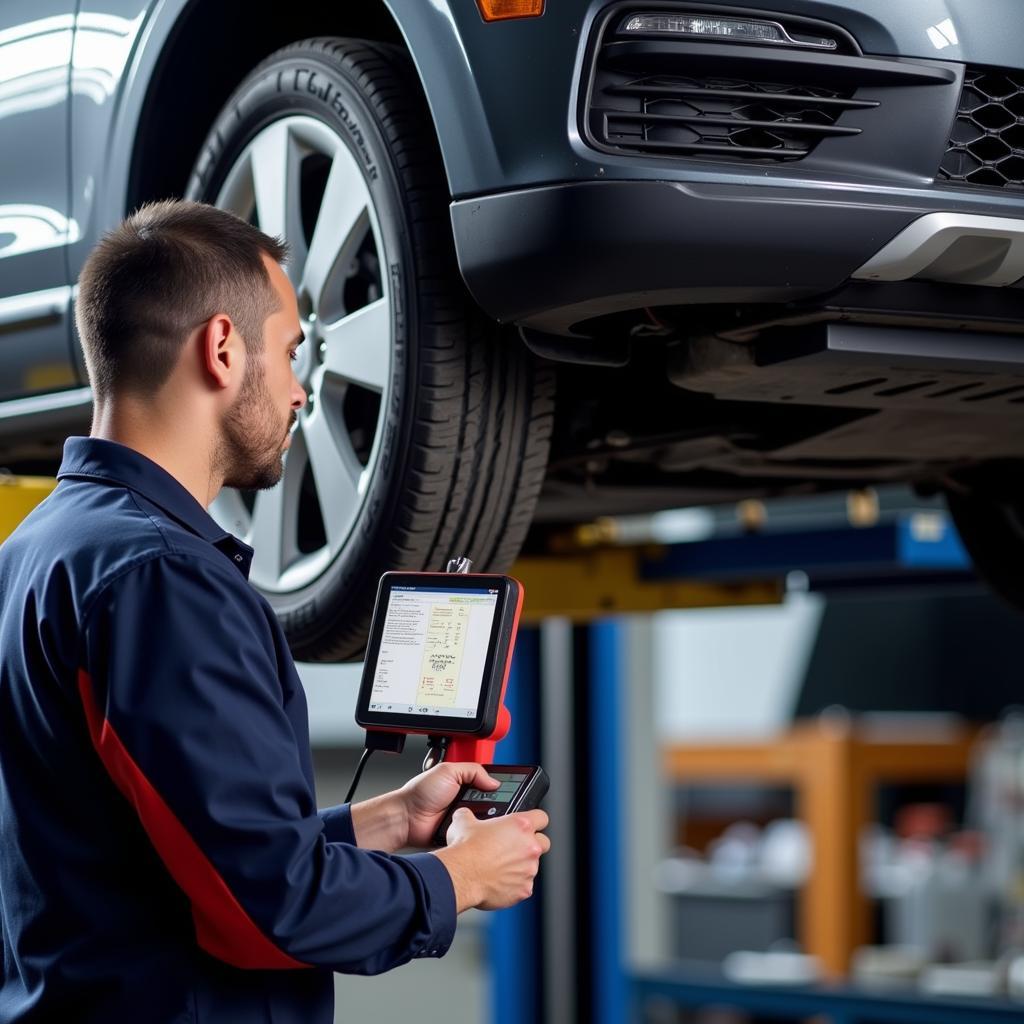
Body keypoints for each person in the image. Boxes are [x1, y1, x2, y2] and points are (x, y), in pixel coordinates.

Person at [0, 200, 550, 1024]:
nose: (301, 390)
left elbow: (169, 850)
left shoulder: (42, 547)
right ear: (222, 348)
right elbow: (270, 908)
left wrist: (384, 821)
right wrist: (461, 878)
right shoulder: (162, 580)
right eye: (293, 351)